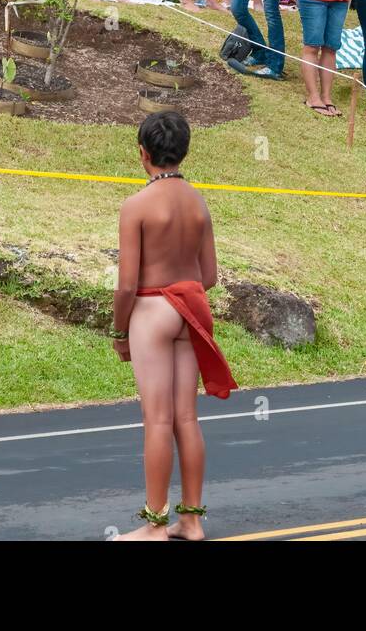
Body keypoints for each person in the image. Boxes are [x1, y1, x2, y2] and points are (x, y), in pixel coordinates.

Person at [111, 111, 237, 542]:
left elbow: (127, 283)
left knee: (157, 421)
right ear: (183, 152)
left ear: (143, 154)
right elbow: (211, 276)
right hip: (190, 308)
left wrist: (119, 331)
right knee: (187, 417)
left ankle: (154, 525)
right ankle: (193, 521)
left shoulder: (136, 206)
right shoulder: (198, 202)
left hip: (151, 310)